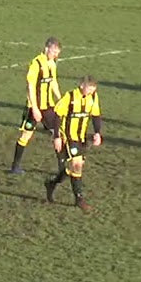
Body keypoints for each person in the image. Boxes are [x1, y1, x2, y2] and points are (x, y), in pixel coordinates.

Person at [44, 75, 103, 211]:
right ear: (82, 85)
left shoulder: (93, 97)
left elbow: (96, 116)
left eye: (93, 89)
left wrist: (97, 133)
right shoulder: (69, 97)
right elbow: (57, 116)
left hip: (81, 137)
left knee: (74, 166)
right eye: (89, 88)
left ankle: (52, 183)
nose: (91, 91)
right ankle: (79, 199)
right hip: (69, 136)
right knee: (77, 165)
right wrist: (57, 136)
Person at [10, 37, 62, 174]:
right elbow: (30, 87)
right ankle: (15, 166)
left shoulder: (52, 63)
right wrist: (35, 108)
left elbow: (53, 83)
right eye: (54, 51)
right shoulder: (36, 64)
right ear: (46, 49)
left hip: (48, 106)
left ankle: (62, 168)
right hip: (35, 107)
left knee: (57, 133)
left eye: (58, 52)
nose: (56, 55)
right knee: (25, 136)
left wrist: (60, 99)